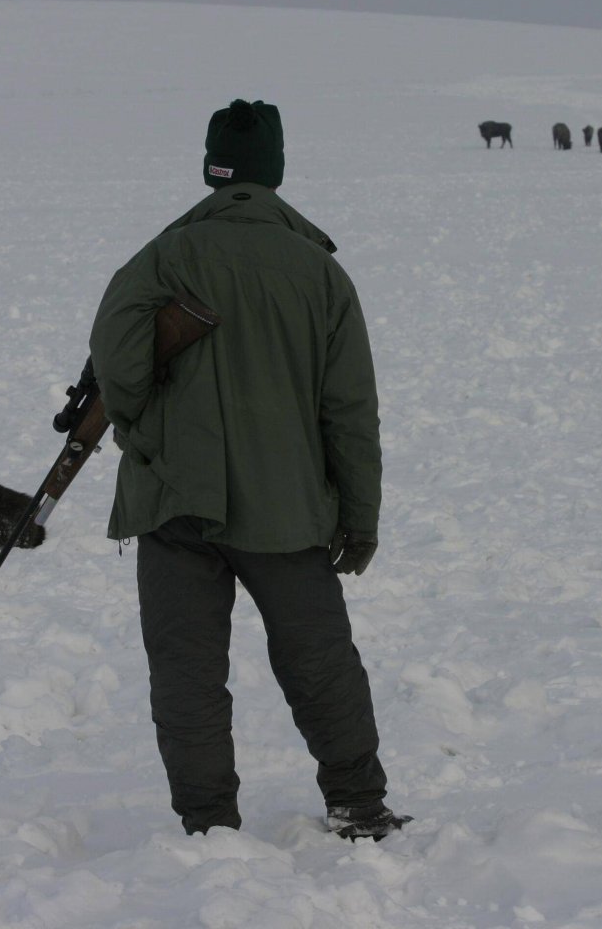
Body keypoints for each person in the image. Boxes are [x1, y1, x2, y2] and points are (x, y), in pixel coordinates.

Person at [88, 98, 408, 841]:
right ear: (276, 172)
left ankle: (208, 827)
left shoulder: (162, 256)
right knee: (319, 658)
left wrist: (139, 429)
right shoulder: (321, 274)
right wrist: (359, 519)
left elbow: (115, 357)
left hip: (173, 504)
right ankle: (358, 804)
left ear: (211, 169)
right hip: (287, 508)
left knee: (186, 671)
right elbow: (351, 415)